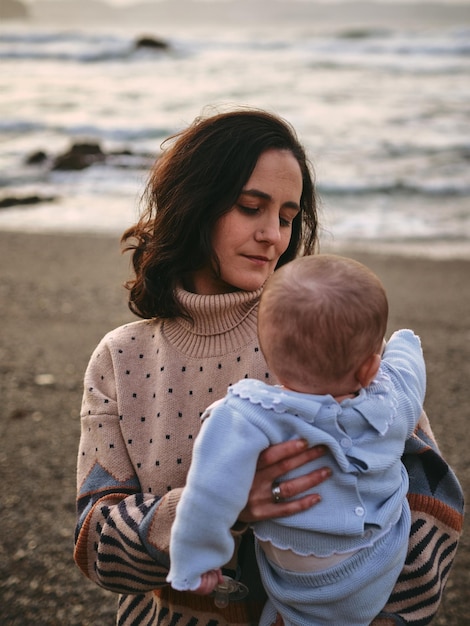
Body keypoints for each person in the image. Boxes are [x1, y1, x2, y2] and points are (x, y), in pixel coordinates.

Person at [74, 108, 464, 626]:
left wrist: (377, 613)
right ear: (194, 204)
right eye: (250, 207)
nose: (273, 236)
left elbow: (431, 505)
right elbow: (95, 545)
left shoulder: (322, 325)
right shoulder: (120, 358)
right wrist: (220, 507)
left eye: (285, 217)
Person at [167, 254, 426, 625]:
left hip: (302, 583)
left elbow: (208, 493)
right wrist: (404, 342)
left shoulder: (250, 413)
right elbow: (408, 371)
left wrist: (197, 561)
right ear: (370, 368)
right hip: (379, 568)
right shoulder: (391, 400)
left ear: (270, 360)